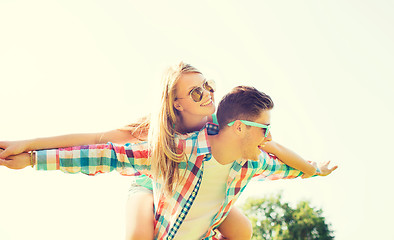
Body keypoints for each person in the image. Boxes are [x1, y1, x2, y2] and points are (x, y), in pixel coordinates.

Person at [0, 84, 337, 240]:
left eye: (208, 88)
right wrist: (31, 155)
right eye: (196, 93)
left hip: (199, 214)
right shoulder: (168, 145)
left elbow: (284, 162)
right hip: (152, 180)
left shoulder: (248, 155)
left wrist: (315, 169)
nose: (207, 96)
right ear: (175, 102)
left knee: (243, 229)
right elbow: (101, 149)